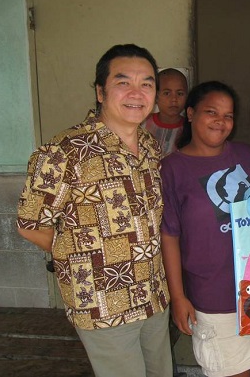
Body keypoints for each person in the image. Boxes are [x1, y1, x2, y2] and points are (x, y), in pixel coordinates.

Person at [16, 44, 172, 377]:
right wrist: (83, 257)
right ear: (100, 92)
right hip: (104, 304)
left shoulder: (149, 146)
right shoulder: (64, 152)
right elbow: (30, 225)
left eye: (146, 84)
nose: (136, 93)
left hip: (154, 297)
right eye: (123, 82)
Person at [160, 81, 250, 377]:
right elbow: (170, 235)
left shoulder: (249, 155)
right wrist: (178, 296)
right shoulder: (173, 168)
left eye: (228, 115)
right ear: (191, 114)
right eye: (211, 112)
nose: (221, 121)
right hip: (214, 294)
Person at [142, 67, 188, 156]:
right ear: (156, 96)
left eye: (180, 93)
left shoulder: (190, 128)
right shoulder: (142, 123)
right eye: (167, 93)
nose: (174, 99)